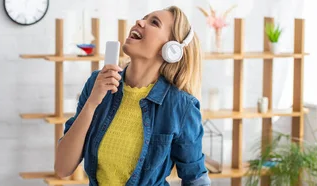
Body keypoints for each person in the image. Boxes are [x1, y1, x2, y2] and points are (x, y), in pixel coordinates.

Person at [54, 6, 210, 186]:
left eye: (154, 22)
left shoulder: (181, 106)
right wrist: (91, 104)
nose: (139, 22)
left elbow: (196, 179)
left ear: (170, 48)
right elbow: (62, 168)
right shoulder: (97, 84)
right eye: (144, 17)